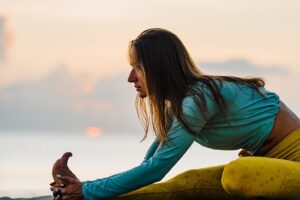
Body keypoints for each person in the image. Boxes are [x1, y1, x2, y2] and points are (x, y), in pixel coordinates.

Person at [50, 28, 300, 200]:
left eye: (137, 67)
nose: (130, 78)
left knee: (237, 175)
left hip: (294, 162)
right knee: (185, 184)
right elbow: (148, 168)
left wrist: (88, 190)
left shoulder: (198, 101)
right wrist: (84, 189)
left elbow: (155, 170)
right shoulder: (179, 106)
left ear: (159, 68)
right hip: (270, 164)